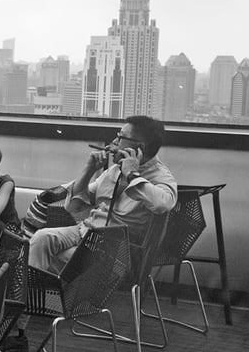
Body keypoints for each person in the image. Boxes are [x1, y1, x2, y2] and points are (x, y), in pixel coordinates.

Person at [29, 115, 177, 275]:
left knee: (60, 258)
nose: (114, 141)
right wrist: (89, 170)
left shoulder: (161, 176)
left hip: (116, 249)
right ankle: (33, 290)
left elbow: (163, 204)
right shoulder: (114, 170)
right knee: (41, 238)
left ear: (139, 147)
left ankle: (43, 288)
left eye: (120, 137)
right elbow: (73, 207)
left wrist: (131, 175)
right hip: (87, 231)